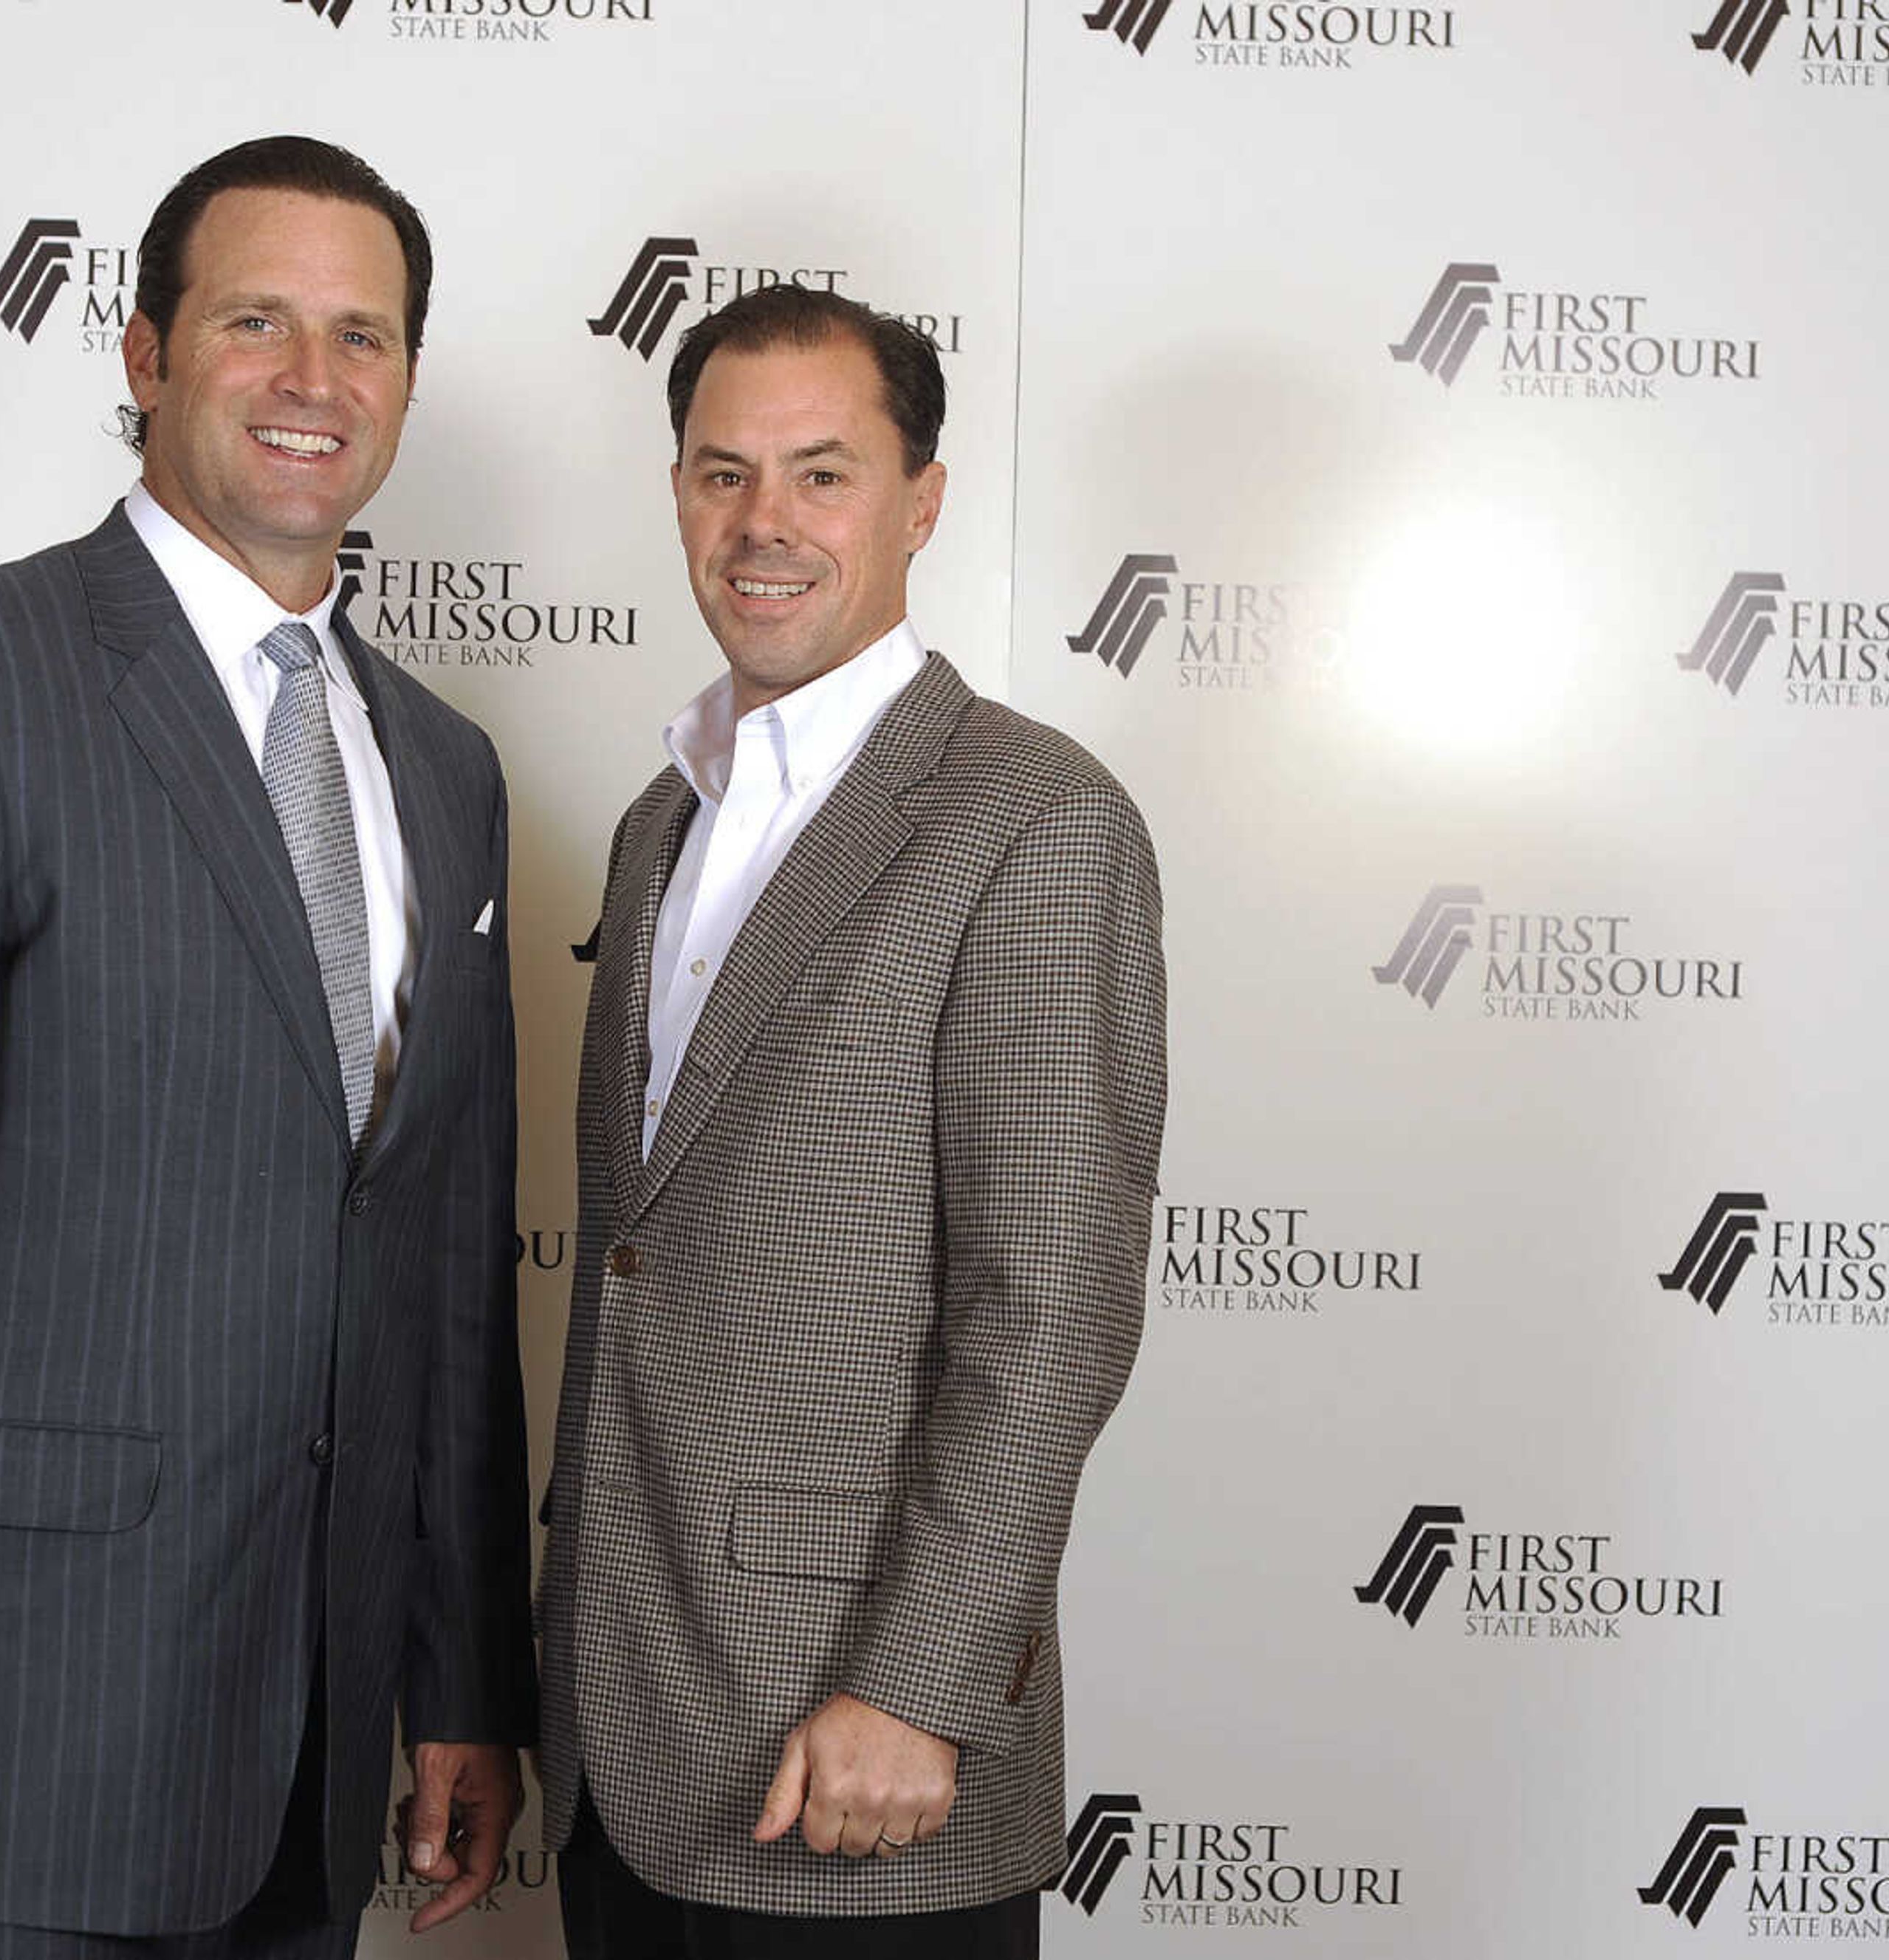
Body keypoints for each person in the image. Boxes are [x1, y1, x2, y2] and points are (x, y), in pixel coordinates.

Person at [0, 134, 534, 1960]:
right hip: (8, 1758)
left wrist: (462, 1674)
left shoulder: (448, 773)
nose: (316, 382)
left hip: (311, 1769)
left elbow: (444, 1267)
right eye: (256, 322)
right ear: (144, 353)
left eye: (364, 337)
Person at [535, 281, 1168, 1958]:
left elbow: (1053, 1304)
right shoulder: (655, 828)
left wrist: (920, 1683)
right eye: (720, 471)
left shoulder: (1035, 821)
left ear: (923, 499)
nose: (764, 524)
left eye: (822, 472)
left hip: (862, 1752)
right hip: (620, 1738)